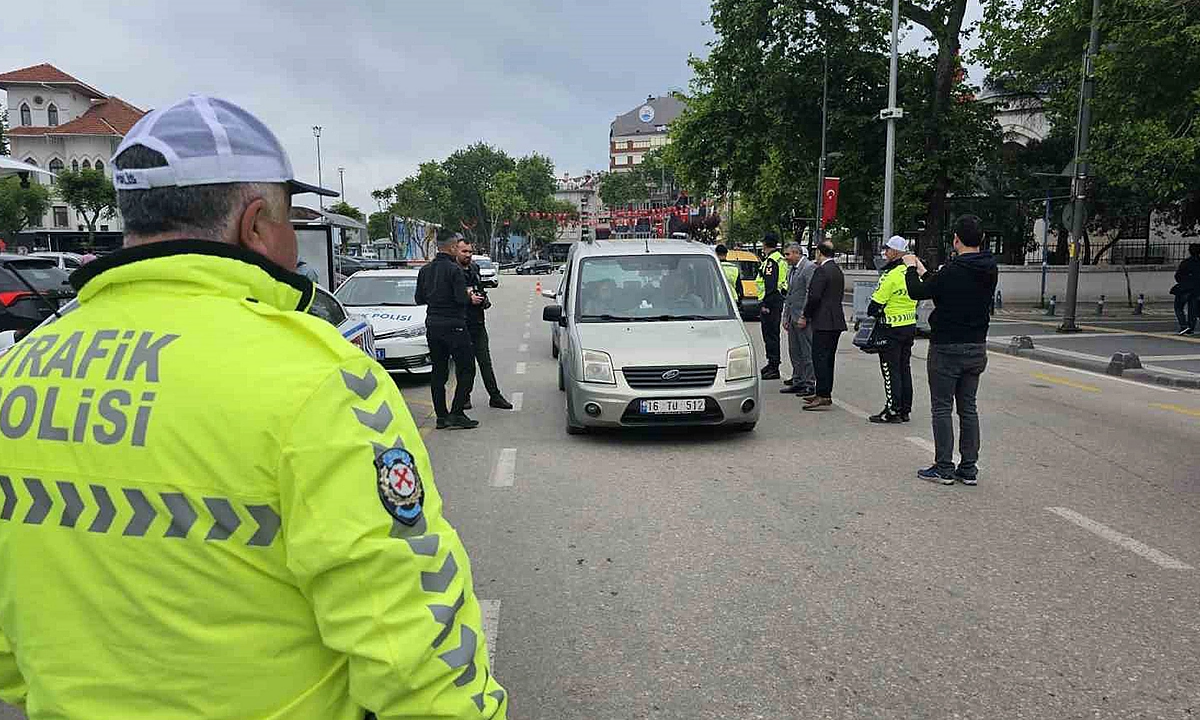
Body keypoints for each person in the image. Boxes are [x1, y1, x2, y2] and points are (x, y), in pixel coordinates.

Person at [0, 95, 506, 719]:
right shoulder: (317, 376)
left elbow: (9, 648)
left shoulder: (20, 367)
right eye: (292, 218)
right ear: (258, 222)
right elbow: (409, 632)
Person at [904, 214, 998, 486]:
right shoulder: (989, 268)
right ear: (982, 239)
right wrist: (926, 271)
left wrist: (911, 268)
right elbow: (942, 287)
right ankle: (968, 467)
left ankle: (944, 466)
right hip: (976, 345)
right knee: (968, 407)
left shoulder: (952, 269)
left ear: (956, 240)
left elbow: (917, 292)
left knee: (942, 407)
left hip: (946, 346)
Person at [416, 231, 480, 430]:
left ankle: (441, 416)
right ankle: (457, 412)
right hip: (455, 324)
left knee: (439, 371)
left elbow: (419, 299)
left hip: (433, 324)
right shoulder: (455, 270)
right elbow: (461, 299)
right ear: (453, 247)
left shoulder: (425, 270)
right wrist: (469, 296)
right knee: (467, 368)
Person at [866, 235, 918, 423]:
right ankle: (904, 409)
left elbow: (874, 306)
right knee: (904, 368)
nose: (884, 252)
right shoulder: (911, 273)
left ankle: (892, 410)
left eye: (887, 249)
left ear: (895, 252)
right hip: (909, 326)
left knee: (890, 370)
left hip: (891, 328)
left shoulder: (890, 276)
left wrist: (875, 311)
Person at [459, 244, 513, 410]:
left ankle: (494, 396)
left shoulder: (474, 268)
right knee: (465, 364)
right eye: (464, 251)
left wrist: (483, 299)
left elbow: (480, 288)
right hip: (461, 324)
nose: (468, 255)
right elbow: (451, 296)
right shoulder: (452, 271)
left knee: (485, 362)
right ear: (456, 251)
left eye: (470, 251)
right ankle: (464, 396)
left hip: (478, 322)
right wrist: (468, 299)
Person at [801, 240, 847, 411]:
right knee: (828, 359)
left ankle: (822, 395)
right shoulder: (837, 270)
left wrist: (806, 315)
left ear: (820, 252)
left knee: (819, 358)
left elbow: (814, 297)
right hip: (836, 320)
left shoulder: (821, 271)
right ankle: (824, 392)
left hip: (823, 320)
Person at [780, 242, 817, 396]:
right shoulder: (792, 270)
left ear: (796, 253)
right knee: (794, 351)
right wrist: (785, 316)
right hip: (792, 317)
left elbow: (810, 293)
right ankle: (798, 380)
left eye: (788, 254)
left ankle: (810, 383)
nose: (786, 258)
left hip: (803, 319)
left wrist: (804, 315)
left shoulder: (808, 268)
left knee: (806, 352)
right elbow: (790, 295)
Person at [755, 233, 788, 379]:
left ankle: (774, 366)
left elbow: (770, 284)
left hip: (771, 302)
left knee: (770, 335)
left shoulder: (771, 261)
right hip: (776, 300)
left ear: (765, 244)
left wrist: (765, 304)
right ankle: (772, 363)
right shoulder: (779, 258)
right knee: (771, 334)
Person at [1172, 243, 1200, 335]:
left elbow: (1178, 276)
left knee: (1178, 307)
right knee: (1193, 310)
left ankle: (1183, 325)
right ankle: (1190, 328)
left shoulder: (1186, 262)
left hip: (1185, 288)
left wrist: (1183, 282)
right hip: (1196, 290)